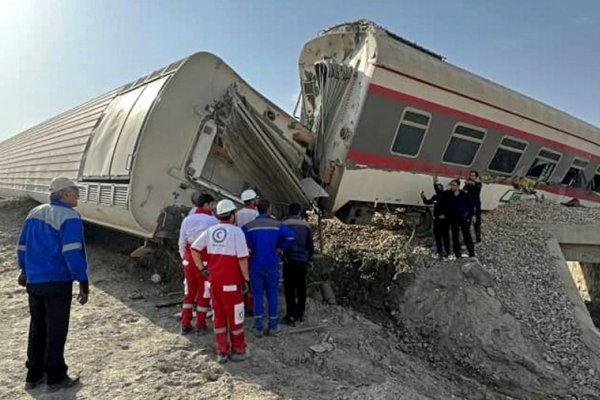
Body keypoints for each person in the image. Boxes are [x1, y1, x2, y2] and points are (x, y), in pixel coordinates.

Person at [17, 177, 89, 390]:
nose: (78, 195)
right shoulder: (69, 216)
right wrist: (82, 280)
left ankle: (33, 375)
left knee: (38, 326)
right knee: (56, 328)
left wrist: (24, 270)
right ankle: (55, 376)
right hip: (57, 280)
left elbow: (22, 246)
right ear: (65, 194)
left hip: (34, 280)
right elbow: (72, 251)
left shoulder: (34, 213)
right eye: (75, 191)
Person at [191, 199, 251, 363]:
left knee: (218, 317)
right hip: (232, 284)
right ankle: (238, 350)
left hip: (214, 283)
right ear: (232, 215)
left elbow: (194, 249)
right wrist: (246, 279)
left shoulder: (210, 231)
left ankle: (221, 351)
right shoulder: (237, 232)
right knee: (236, 318)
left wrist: (202, 269)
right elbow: (242, 259)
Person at [242, 199, 295, 337]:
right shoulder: (277, 224)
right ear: (269, 209)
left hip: (255, 264)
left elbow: (240, 239)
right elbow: (290, 236)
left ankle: (258, 327)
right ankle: (273, 326)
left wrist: (249, 250)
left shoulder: (249, 226)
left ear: (257, 209)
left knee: (257, 295)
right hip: (272, 263)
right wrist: (280, 248)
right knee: (272, 294)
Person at [178, 193, 218, 335]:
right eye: (212, 204)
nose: (213, 207)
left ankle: (185, 323)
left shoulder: (188, 220)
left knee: (189, 292)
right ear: (207, 204)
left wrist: (185, 259)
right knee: (204, 292)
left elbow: (182, 242)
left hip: (189, 260)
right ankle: (200, 324)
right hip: (205, 261)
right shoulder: (213, 221)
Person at [282, 203, 314, 325]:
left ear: (289, 212)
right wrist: (310, 259)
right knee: (301, 289)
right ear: (299, 212)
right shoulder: (306, 226)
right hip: (302, 261)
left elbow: (281, 242)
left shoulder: (284, 225)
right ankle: (299, 315)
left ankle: (290, 315)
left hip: (288, 261)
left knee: (289, 289)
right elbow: (310, 245)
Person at [446, 179, 475, 258]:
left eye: (454, 185)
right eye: (451, 185)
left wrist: (472, 215)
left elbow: (471, 205)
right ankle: (457, 253)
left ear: (458, 186)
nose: (452, 186)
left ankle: (471, 252)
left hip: (463, 218)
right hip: (453, 219)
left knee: (466, 235)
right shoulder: (448, 194)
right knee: (455, 236)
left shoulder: (464, 194)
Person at [420, 181, 450, 258]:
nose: (437, 190)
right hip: (437, 220)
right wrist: (423, 197)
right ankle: (439, 252)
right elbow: (427, 202)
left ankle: (447, 252)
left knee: (445, 237)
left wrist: (446, 216)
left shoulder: (446, 197)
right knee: (438, 237)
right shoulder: (435, 197)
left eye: (439, 188)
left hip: (445, 220)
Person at [464, 170, 483, 243]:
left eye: (473, 176)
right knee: (466, 223)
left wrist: (471, 183)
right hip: (468, 205)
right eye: (470, 175)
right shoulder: (467, 184)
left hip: (475, 205)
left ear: (476, 177)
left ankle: (478, 238)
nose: (471, 177)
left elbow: (477, 187)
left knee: (476, 223)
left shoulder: (478, 184)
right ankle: (466, 238)